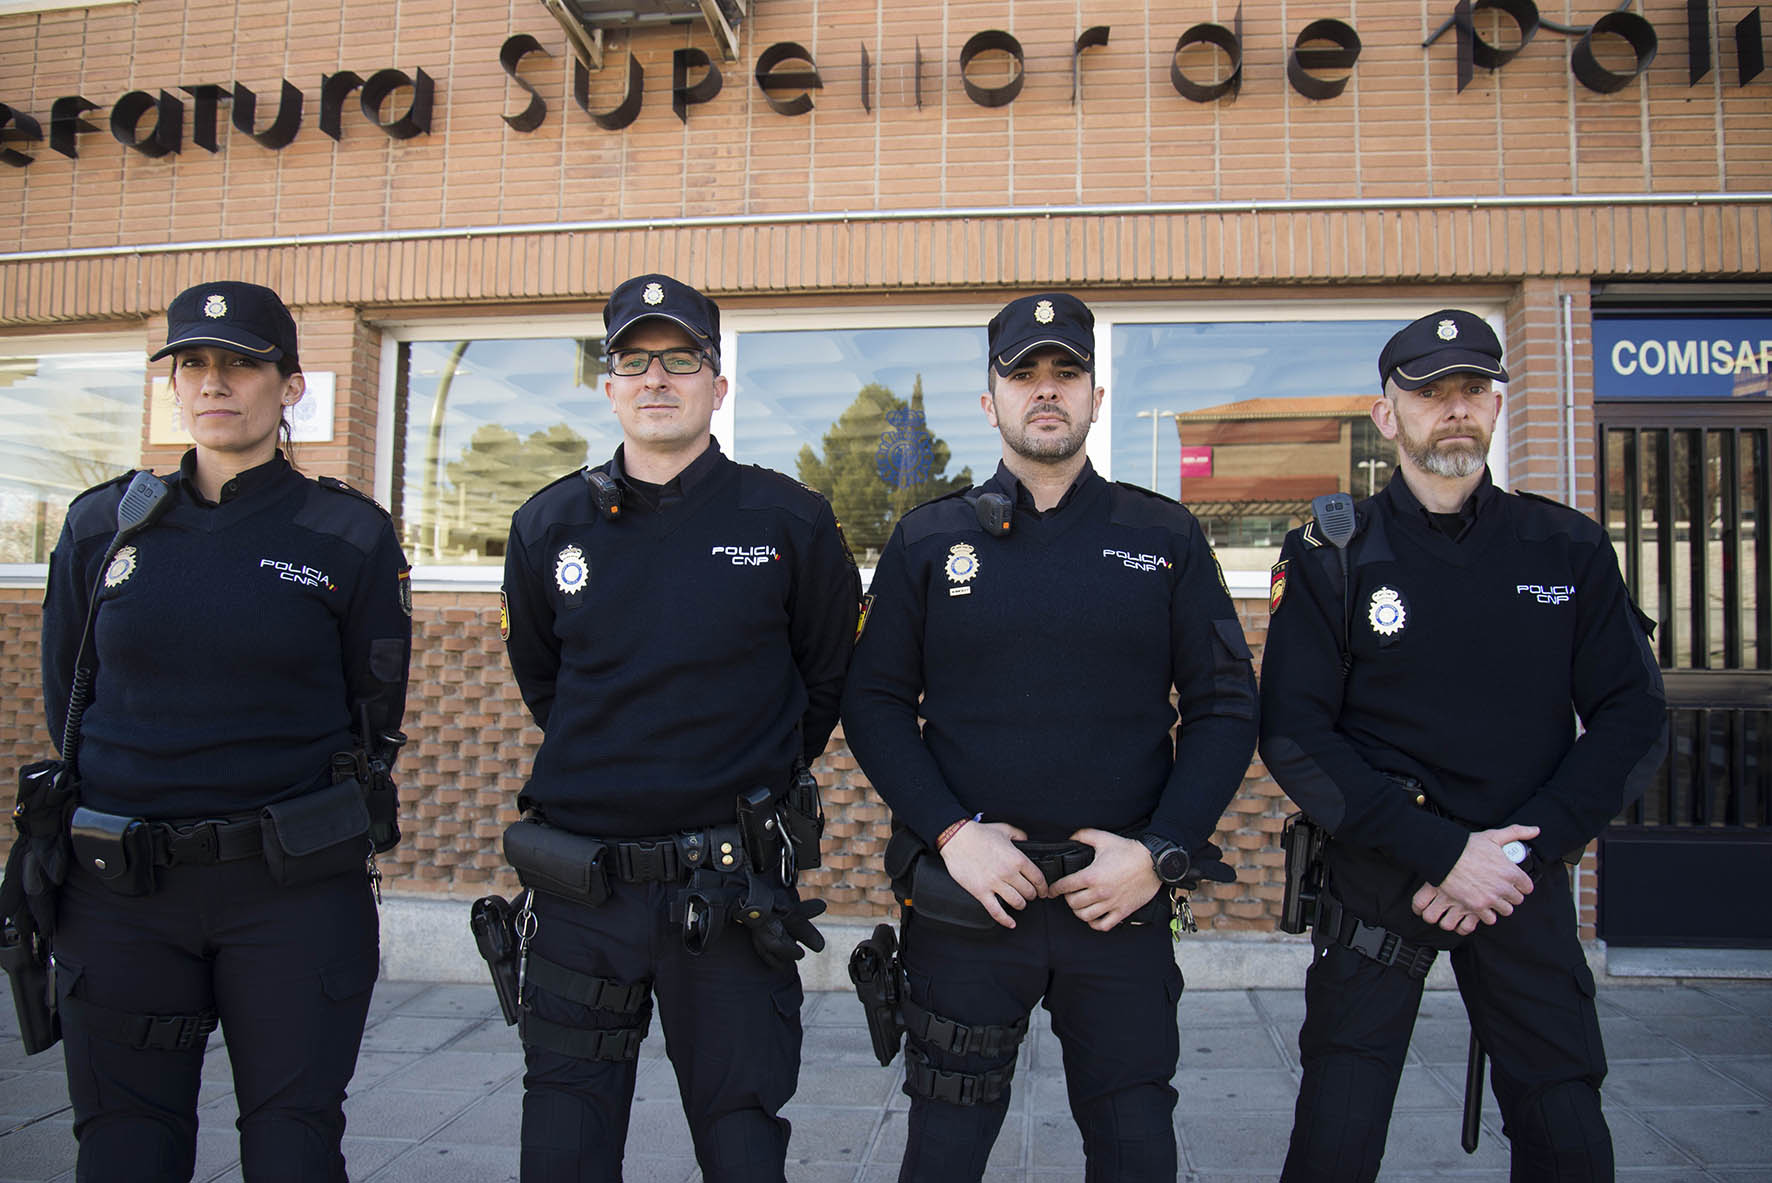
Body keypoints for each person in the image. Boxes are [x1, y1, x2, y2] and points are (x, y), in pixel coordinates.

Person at [841, 292, 1259, 1181]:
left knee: (1137, 1147)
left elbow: (1226, 704)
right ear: (988, 398)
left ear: (1096, 398)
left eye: (1065, 372)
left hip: (1119, 900)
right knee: (943, 1153)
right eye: (1022, 373)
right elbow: (872, 702)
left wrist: (1161, 852)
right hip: (971, 904)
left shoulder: (1165, 536)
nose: (1045, 390)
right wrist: (955, 835)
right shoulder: (928, 538)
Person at [1260, 309, 1668, 1182]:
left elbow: (1633, 716)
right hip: (1379, 880)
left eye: (1473, 390)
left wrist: (1520, 847)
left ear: (1494, 406)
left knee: (1569, 1136)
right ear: (1387, 414)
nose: (1455, 409)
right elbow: (1294, 733)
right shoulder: (1334, 552)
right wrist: (1442, 851)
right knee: (1336, 1136)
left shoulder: (1565, 545)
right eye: (1431, 392)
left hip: (1520, 877)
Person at [36, 280, 411, 1181]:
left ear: (289, 387)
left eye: (242, 363)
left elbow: (375, 707)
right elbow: (68, 700)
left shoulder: (346, 532)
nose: (215, 382)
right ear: (172, 385)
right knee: (125, 1144)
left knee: (293, 1140)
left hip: (288, 891)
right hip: (122, 890)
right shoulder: (105, 523)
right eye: (193, 364)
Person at [499, 273, 859, 1182]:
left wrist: (740, 773)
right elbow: (548, 684)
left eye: (681, 359)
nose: (656, 377)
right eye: (634, 359)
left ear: (717, 384)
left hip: (729, 892)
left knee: (741, 1144)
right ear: (609, 383)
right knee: (562, 1149)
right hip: (584, 891)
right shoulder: (548, 523)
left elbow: (823, 684)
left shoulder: (789, 520)